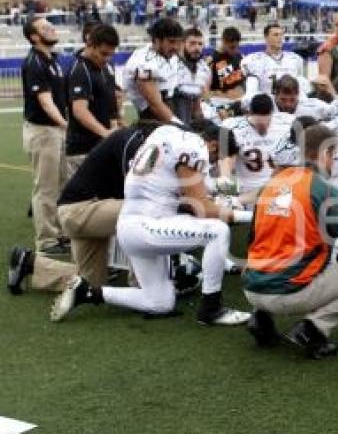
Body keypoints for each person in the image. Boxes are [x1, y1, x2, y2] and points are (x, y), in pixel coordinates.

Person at [50, 120, 251, 326]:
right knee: (217, 231)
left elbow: (189, 186)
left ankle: (88, 292)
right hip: (146, 225)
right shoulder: (194, 146)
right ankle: (211, 309)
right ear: (214, 145)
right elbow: (203, 208)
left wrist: (219, 193)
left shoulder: (163, 136)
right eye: (215, 158)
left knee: (160, 302)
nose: (212, 163)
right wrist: (251, 217)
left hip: (132, 227)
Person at [242, 124, 338, 359]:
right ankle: (312, 330)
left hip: (250, 288)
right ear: (325, 154)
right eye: (333, 156)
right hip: (286, 293)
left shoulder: (273, 183)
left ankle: (261, 318)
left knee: (288, 251)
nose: (334, 162)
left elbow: (252, 238)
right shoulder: (321, 189)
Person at [8, 124, 153, 295]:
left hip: (80, 211)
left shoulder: (132, 140)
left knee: (91, 284)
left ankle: (28, 263)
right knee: (144, 212)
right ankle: (145, 284)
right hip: (80, 211)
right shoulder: (133, 144)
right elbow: (139, 201)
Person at [21, 16, 70, 255]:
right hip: (43, 131)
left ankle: (60, 232)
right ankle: (47, 240)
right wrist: (65, 125)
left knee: (62, 184)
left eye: (51, 24)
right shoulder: (35, 63)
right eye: (45, 27)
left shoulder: (54, 60)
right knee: (46, 188)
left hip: (55, 130)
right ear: (34, 37)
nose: (51, 27)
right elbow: (45, 101)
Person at [65, 24, 120, 175]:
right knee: (84, 198)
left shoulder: (103, 68)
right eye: (103, 54)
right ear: (90, 45)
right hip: (83, 150)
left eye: (111, 54)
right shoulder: (80, 70)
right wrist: (105, 133)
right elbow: (79, 110)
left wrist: (116, 125)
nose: (107, 58)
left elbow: (110, 103)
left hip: (101, 146)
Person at [218, 93, 294, 203]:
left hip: (278, 191)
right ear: (249, 114)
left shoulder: (287, 123)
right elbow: (225, 163)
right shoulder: (233, 127)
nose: (262, 129)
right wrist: (226, 194)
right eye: (258, 125)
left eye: (266, 123)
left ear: (272, 114)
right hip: (247, 193)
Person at [123, 18, 184, 123]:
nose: (176, 47)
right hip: (153, 116)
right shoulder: (143, 63)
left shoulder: (169, 55)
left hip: (172, 104)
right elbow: (155, 105)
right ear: (156, 40)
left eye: (179, 42)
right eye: (171, 42)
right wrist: (179, 125)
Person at [242, 22, 305, 97]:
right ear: (266, 37)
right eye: (276, 35)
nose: (280, 38)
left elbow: (300, 88)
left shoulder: (294, 59)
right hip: (267, 105)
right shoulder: (253, 60)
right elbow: (251, 93)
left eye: (281, 35)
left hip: (291, 103)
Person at [169, 27, 212, 124]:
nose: (197, 48)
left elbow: (198, 103)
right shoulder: (170, 66)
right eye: (192, 43)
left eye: (200, 44)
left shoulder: (204, 69)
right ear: (182, 44)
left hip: (189, 126)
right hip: (169, 124)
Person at [208, 26, 245, 97]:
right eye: (232, 47)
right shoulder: (213, 60)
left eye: (237, 47)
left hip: (237, 100)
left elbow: (242, 81)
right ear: (223, 41)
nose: (235, 50)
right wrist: (224, 94)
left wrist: (241, 88)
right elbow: (205, 90)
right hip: (219, 102)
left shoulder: (239, 56)